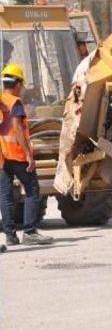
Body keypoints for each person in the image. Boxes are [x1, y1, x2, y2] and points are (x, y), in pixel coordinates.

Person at [0, 64, 52, 246]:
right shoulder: (15, 103)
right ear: (17, 83)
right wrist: (29, 154)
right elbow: (17, 129)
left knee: (5, 195)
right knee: (32, 190)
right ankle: (29, 232)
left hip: (2, 157)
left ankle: (10, 236)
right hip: (17, 154)